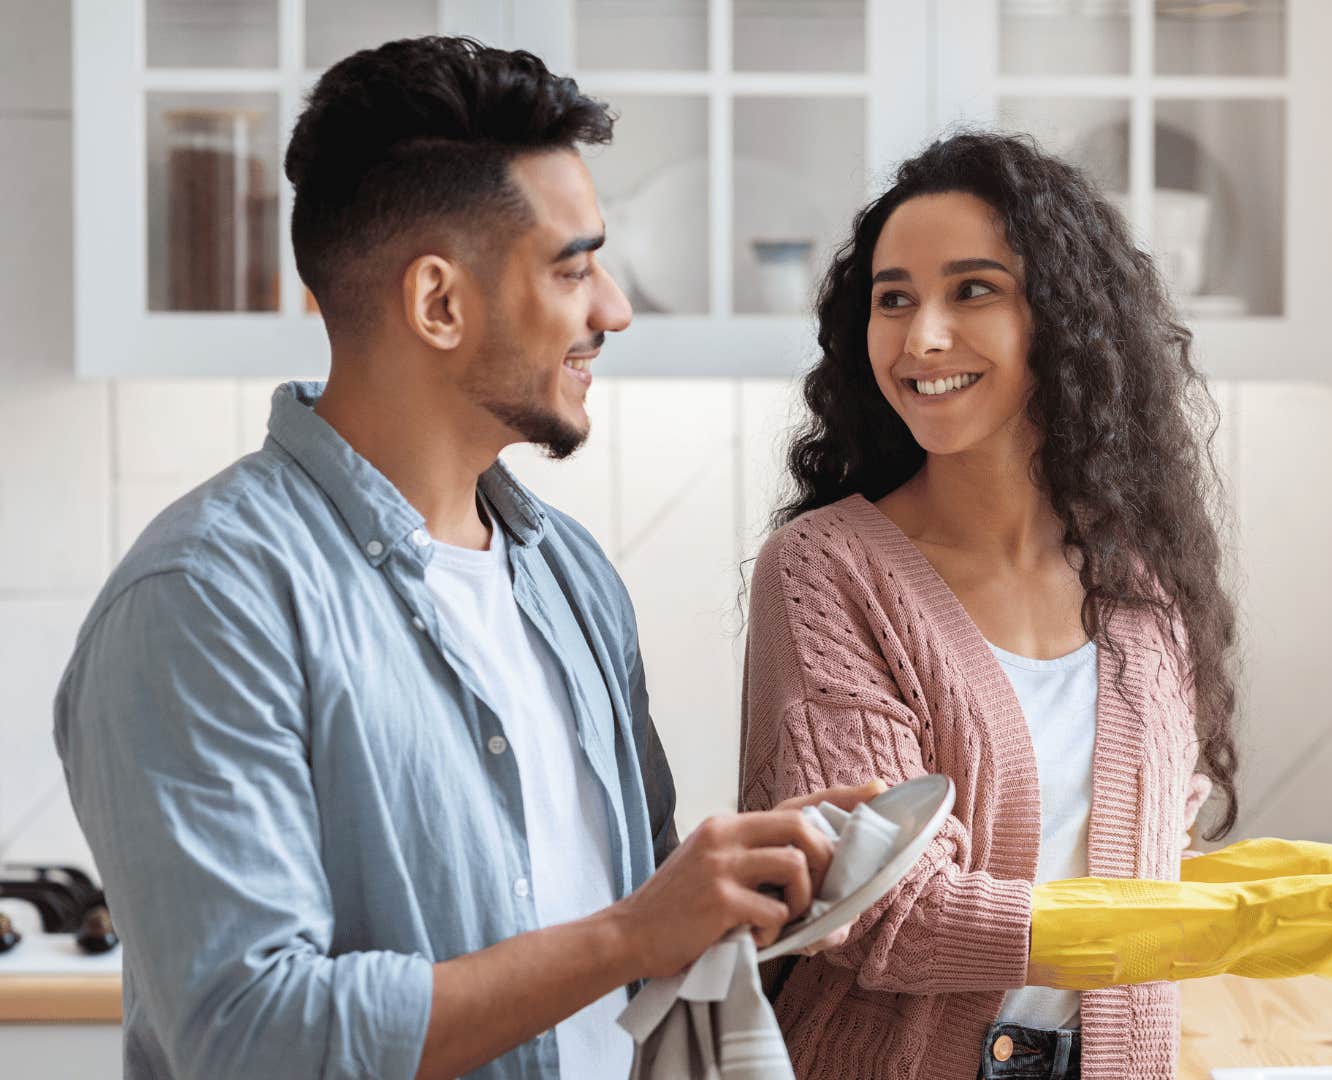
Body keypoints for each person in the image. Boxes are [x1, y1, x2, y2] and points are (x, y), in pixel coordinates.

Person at [54, 36, 868, 1080]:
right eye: (573, 266)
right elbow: (248, 1035)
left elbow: (623, 941)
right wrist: (629, 934)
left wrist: (743, 895)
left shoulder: (569, 576)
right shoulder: (208, 600)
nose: (613, 309)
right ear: (438, 302)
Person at [738, 132, 1332, 1080]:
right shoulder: (827, 571)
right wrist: (1236, 927)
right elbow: (885, 915)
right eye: (893, 298)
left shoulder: (1140, 588)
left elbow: (1137, 871)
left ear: (1063, 319)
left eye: (973, 289)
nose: (922, 338)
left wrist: (1324, 892)